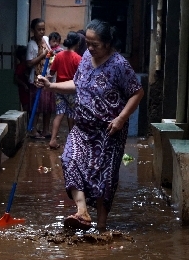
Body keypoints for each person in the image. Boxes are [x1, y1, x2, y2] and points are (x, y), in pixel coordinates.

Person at [36, 20, 144, 231]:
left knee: (104, 178)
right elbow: (77, 84)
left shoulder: (120, 65)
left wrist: (121, 119)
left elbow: (137, 92)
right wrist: (51, 86)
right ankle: (82, 212)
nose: (90, 48)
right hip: (82, 127)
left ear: (108, 43)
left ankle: (102, 228)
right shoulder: (86, 58)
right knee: (70, 159)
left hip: (109, 131)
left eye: (95, 44)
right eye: (88, 43)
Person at [47, 31, 83, 150]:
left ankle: (52, 140)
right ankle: (72, 142)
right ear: (77, 43)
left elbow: (51, 73)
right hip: (71, 90)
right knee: (72, 115)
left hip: (59, 89)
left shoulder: (59, 56)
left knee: (59, 115)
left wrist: (46, 82)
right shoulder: (78, 59)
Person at [26, 18, 54, 139]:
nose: (42, 32)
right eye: (39, 30)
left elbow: (50, 53)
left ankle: (46, 130)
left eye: (43, 29)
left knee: (48, 106)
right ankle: (32, 131)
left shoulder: (46, 39)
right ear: (33, 30)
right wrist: (42, 55)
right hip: (36, 79)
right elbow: (29, 63)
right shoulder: (31, 45)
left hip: (47, 77)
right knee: (37, 106)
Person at [13, 45, 30, 114]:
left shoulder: (27, 65)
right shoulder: (21, 66)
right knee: (26, 109)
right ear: (23, 56)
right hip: (24, 91)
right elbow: (16, 78)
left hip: (27, 91)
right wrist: (24, 85)